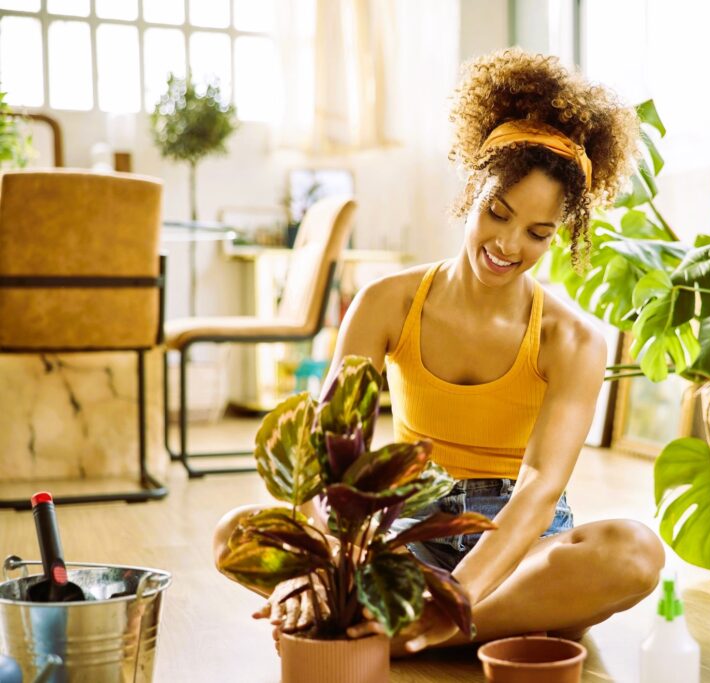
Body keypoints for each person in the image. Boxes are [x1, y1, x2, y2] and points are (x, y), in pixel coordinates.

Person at [213, 47, 665, 657]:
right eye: (497, 213)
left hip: (519, 545)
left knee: (634, 551)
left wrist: (458, 596)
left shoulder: (574, 339)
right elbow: (331, 452)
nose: (508, 244)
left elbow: (537, 491)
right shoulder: (386, 302)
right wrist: (326, 558)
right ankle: (497, 625)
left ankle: (408, 630)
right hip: (407, 527)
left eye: (539, 233)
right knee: (235, 533)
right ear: (472, 187)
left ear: (563, 232)